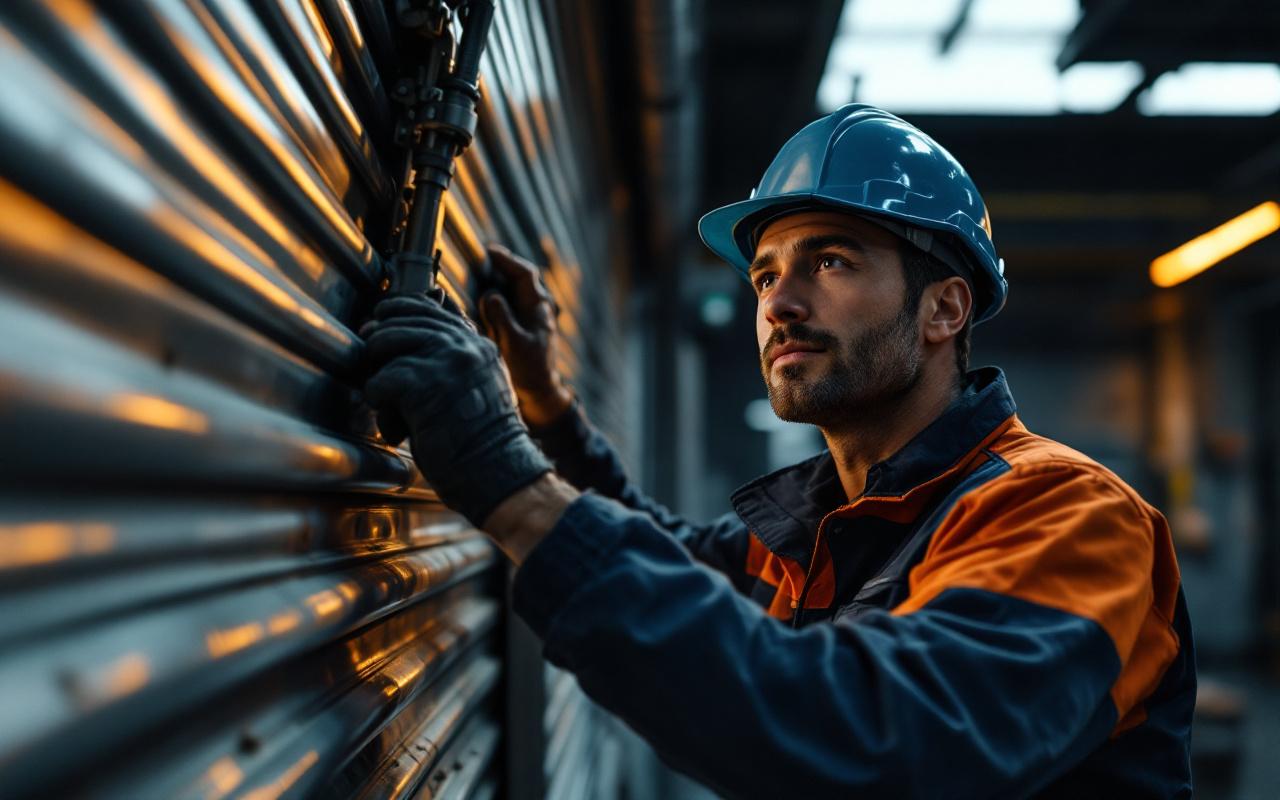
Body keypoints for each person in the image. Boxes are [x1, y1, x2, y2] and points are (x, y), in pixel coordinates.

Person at [361, 105, 1195, 798]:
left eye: (830, 261)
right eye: (764, 275)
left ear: (944, 309)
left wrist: (510, 483)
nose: (781, 304)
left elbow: (878, 743)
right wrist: (542, 413)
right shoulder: (833, 522)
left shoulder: (1069, 517)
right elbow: (675, 558)